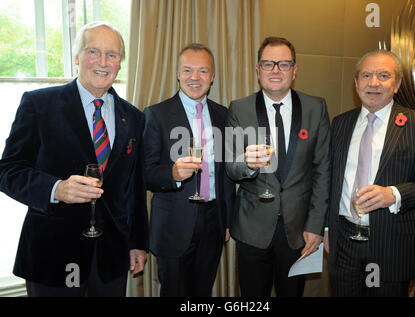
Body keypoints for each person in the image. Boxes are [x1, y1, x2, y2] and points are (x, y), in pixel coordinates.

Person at [0, 21, 148, 297]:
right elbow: (8, 171)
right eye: (93, 52)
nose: (103, 62)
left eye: (112, 55)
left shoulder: (134, 117)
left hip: (109, 260)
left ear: (120, 63)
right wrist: (56, 189)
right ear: (77, 57)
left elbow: (134, 188)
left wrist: (137, 242)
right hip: (53, 255)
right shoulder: (39, 104)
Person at [324, 50, 415, 296]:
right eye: (366, 75)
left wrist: (394, 194)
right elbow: (330, 181)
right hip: (344, 241)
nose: (373, 83)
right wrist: (327, 229)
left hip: (391, 245)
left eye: (383, 75)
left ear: (397, 83)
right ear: (356, 82)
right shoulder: (340, 123)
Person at [225, 37, 330, 296]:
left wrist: (316, 226)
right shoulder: (240, 108)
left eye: (283, 64)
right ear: (257, 70)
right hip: (252, 230)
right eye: (268, 63)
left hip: (299, 231)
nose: (275, 70)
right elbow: (231, 166)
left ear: (294, 71)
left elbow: (323, 171)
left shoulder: (316, 108)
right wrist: (247, 165)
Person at [143, 43, 235, 296]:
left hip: (213, 221)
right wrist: (171, 174)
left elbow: (227, 174)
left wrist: (227, 220)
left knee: (202, 293)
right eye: (188, 70)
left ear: (212, 76)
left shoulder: (223, 115)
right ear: (177, 74)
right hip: (174, 224)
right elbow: (146, 173)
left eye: (203, 71)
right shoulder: (156, 115)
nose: (195, 78)